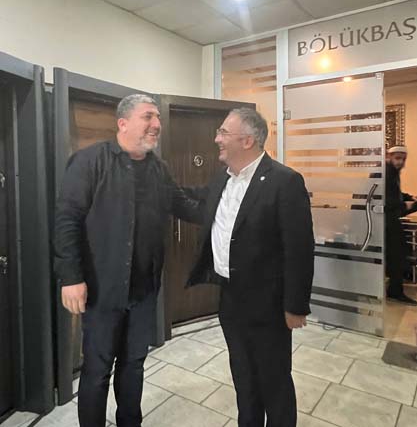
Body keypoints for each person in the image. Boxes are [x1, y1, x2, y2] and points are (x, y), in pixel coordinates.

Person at [54, 94, 200, 427]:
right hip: (101, 289)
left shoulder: (159, 169)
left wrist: (232, 198)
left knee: (134, 365)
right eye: (148, 116)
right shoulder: (90, 162)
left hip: (144, 291)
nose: (156, 124)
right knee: (97, 370)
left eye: (157, 118)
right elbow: (67, 221)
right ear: (123, 123)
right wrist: (71, 277)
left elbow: (184, 205)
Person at [187, 108, 315, 427]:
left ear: (247, 140)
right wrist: (157, 187)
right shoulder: (223, 179)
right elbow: (198, 202)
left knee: (274, 382)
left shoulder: (285, 181)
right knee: (243, 378)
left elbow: (299, 249)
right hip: (230, 300)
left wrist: (295, 306)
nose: (216, 139)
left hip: (268, 305)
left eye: (223, 133)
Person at [385, 145, 417, 304]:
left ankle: (395, 289)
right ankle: (395, 291)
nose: (400, 162)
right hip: (385, 220)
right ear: (388, 157)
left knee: (398, 254)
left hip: (390, 219)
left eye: (403, 159)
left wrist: (409, 197)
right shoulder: (386, 173)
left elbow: (395, 193)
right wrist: (405, 205)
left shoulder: (392, 172)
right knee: (396, 255)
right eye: (397, 158)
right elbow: (385, 199)